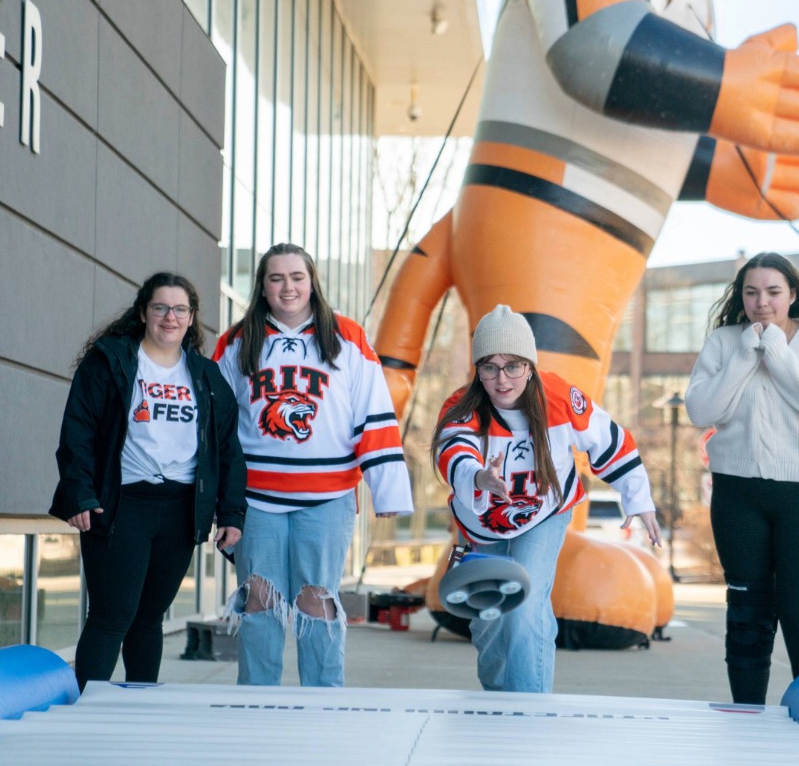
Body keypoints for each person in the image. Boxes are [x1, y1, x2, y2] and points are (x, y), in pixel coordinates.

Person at [433, 304, 660, 693]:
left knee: (525, 604)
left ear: (530, 366)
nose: (502, 379)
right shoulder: (461, 406)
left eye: (513, 366)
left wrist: (638, 499)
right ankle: (497, 699)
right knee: (489, 617)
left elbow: (611, 440)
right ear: (478, 370)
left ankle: (529, 707)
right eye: (490, 367)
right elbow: (451, 452)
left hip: (544, 514)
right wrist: (479, 476)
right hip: (482, 522)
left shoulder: (559, 398)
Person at [214, 244, 413, 687]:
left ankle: (324, 702)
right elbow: (216, 426)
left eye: (297, 277)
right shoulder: (236, 341)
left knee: (316, 602)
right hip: (256, 498)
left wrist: (388, 488)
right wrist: (215, 499)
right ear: (262, 287)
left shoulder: (347, 337)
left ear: (312, 282)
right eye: (277, 278)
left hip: (326, 497)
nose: (288, 287)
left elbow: (374, 412)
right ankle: (257, 701)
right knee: (259, 601)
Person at [50, 272, 246, 691]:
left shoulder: (207, 377)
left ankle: (139, 703)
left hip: (179, 511)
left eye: (179, 309)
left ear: (192, 318)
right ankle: (87, 714)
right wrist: (78, 493)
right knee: (112, 614)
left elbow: (228, 450)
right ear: (144, 313)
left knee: (149, 617)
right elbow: (78, 431)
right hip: (121, 506)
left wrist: (231, 513)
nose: (169, 317)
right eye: (160, 308)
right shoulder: (112, 361)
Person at [683, 251, 799, 704]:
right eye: (752, 292)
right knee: (746, 611)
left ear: (792, 295)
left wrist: (775, 349)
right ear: (741, 296)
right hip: (738, 492)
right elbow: (702, 410)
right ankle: (747, 719)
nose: (762, 302)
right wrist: (745, 354)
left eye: (774, 292)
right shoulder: (724, 342)